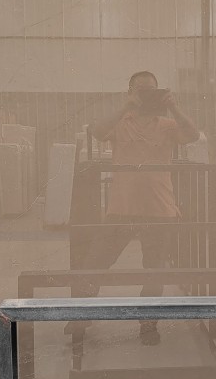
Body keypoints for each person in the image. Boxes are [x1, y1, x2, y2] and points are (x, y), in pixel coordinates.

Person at [86, 71, 200, 345]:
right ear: (130, 92)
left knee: (154, 269)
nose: (147, 95)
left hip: (158, 208)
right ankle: (81, 314)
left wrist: (174, 107)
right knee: (96, 262)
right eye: (141, 90)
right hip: (122, 208)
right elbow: (97, 131)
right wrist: (126, 107)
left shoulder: (167, 124)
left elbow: (193, 135)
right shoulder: (120, 122)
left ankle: (148, 324)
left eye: (152, 90)